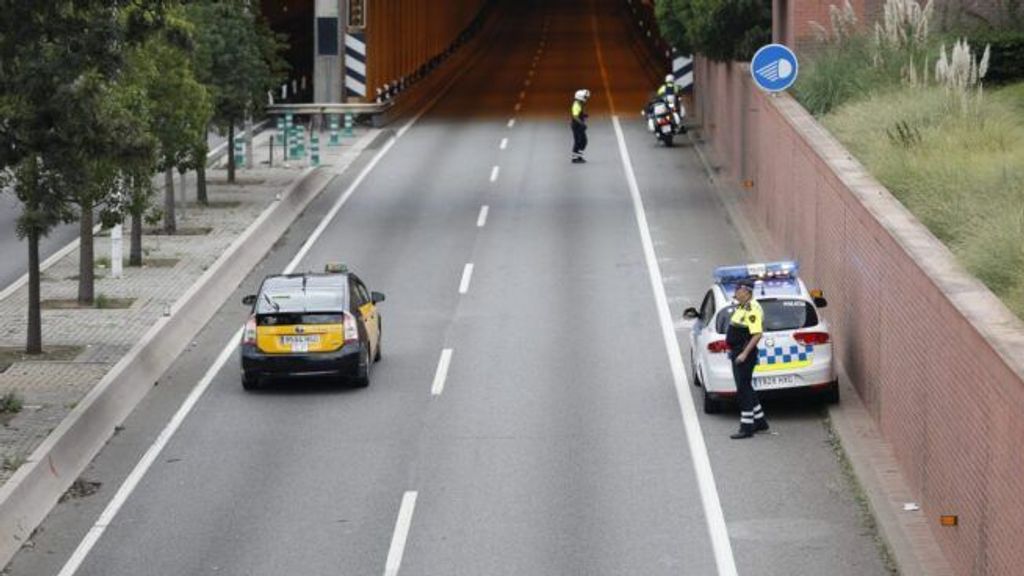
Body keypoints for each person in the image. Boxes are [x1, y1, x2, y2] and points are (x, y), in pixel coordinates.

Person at [726, 280, 769, 439]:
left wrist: (744, 354)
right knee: (747, 386)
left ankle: (746, 427)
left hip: (743, 354)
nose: (736, 292)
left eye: (738, 289)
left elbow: (757, 333)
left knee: (743, 390)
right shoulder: (743, 306)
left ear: (747, 291)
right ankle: (760, 421)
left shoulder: (752, 309)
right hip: (737, 351)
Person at [570, 89, 590, 163]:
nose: (586, 98)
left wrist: (584, 115)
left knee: (584, 141)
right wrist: (582, 123)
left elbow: (578, 113)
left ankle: (579, 156)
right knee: (578, 141)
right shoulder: (576, 104)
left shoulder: (579, 103)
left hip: (579, 126)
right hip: (576, 126)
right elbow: (575, 116)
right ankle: (574, 158)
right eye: (585, 97)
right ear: (580, 97)